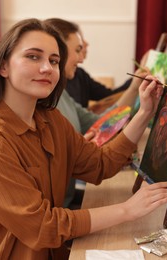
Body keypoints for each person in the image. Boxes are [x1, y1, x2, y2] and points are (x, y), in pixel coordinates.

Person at [0, 18, 167, 260]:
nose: (47, 68)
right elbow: (43, 226)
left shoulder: (50, 119)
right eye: (33, 56)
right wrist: (126, 210)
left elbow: (99, 164)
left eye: (54, 61)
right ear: (3, 67)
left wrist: (145, 112)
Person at [45, 18, 149, 209]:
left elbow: (102, 123)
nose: (81, 58)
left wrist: (135, 90)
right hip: (59, 210)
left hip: (64, 201)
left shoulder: (61, 96)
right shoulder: (42, 105)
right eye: (77, 50)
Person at [65, 28, 132, 108]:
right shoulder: (57, 89)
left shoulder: (80, 74)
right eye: (78, 49)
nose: (87, 44)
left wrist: (134, 82)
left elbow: (108, 96)